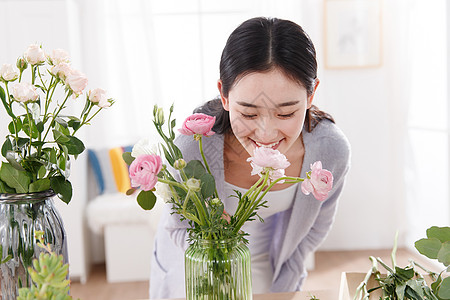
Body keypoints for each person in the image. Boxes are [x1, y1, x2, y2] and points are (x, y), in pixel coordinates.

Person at [149, 17, 351, 298]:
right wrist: (218, 259)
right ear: (224, 95)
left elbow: (316, 226)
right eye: (248, 114)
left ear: (312, 93)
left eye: (285, 113)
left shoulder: (330, 150)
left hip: (273, 274)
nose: (266, 134)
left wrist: (286, 274)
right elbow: (178, 226)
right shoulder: (191, 147)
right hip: (195, 273)